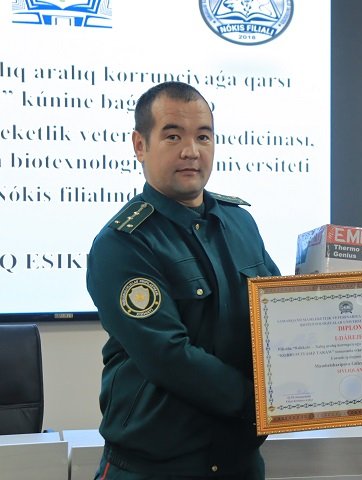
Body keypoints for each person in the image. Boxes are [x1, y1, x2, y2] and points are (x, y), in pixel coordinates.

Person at [87, 81, 280, 479]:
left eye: (203, 136)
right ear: (140, 145)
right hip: (155, 467)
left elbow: (280, 316)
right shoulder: (123, 243)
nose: (191, 150)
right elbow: (169, 356)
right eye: (173, 136)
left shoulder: (240, 222)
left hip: (239, 463)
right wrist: (265, 401)